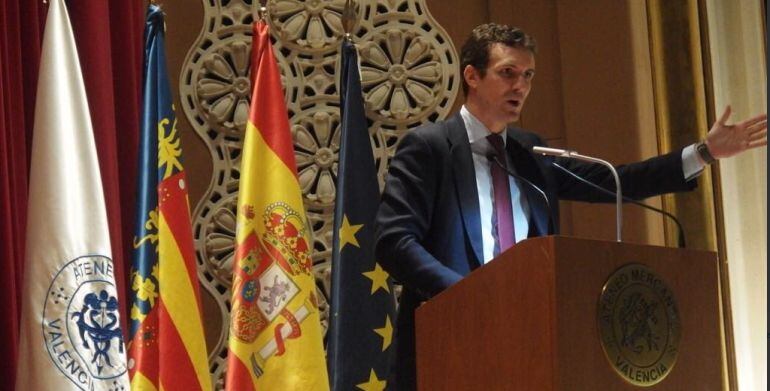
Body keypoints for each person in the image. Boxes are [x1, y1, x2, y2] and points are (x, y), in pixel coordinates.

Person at [373, 23, 767, 390]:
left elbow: (617, 180)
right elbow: (394, 241)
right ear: (472, 76)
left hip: (531, 347)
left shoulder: (532, 154)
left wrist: (704, 152)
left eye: (528, 76)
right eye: (508, 73)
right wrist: (469, 295)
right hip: (449, 343)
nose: (521, 86)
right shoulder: (429, 148)